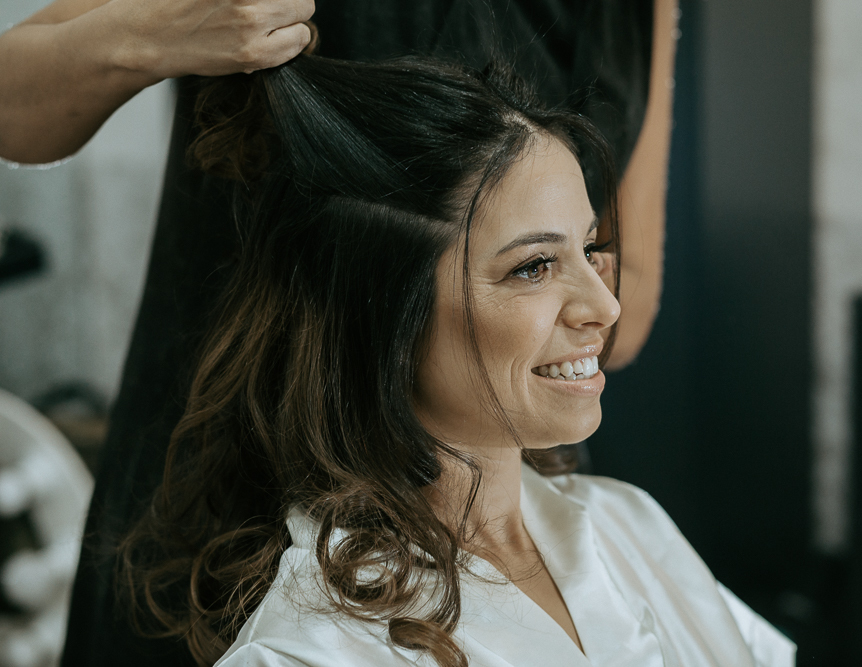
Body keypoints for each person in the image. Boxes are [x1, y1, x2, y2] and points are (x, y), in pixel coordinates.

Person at [0, 1, 674, 664]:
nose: (599, 302)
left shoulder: (625, 541)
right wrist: (154, 33)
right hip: (219, 496)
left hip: (488, 505)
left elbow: (629, 291)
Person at [119, 52, 794, 667]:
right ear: (384, 313)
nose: (604, 307)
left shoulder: (626, 523)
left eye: (590, 250)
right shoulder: (310, 652)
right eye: (534, 267)